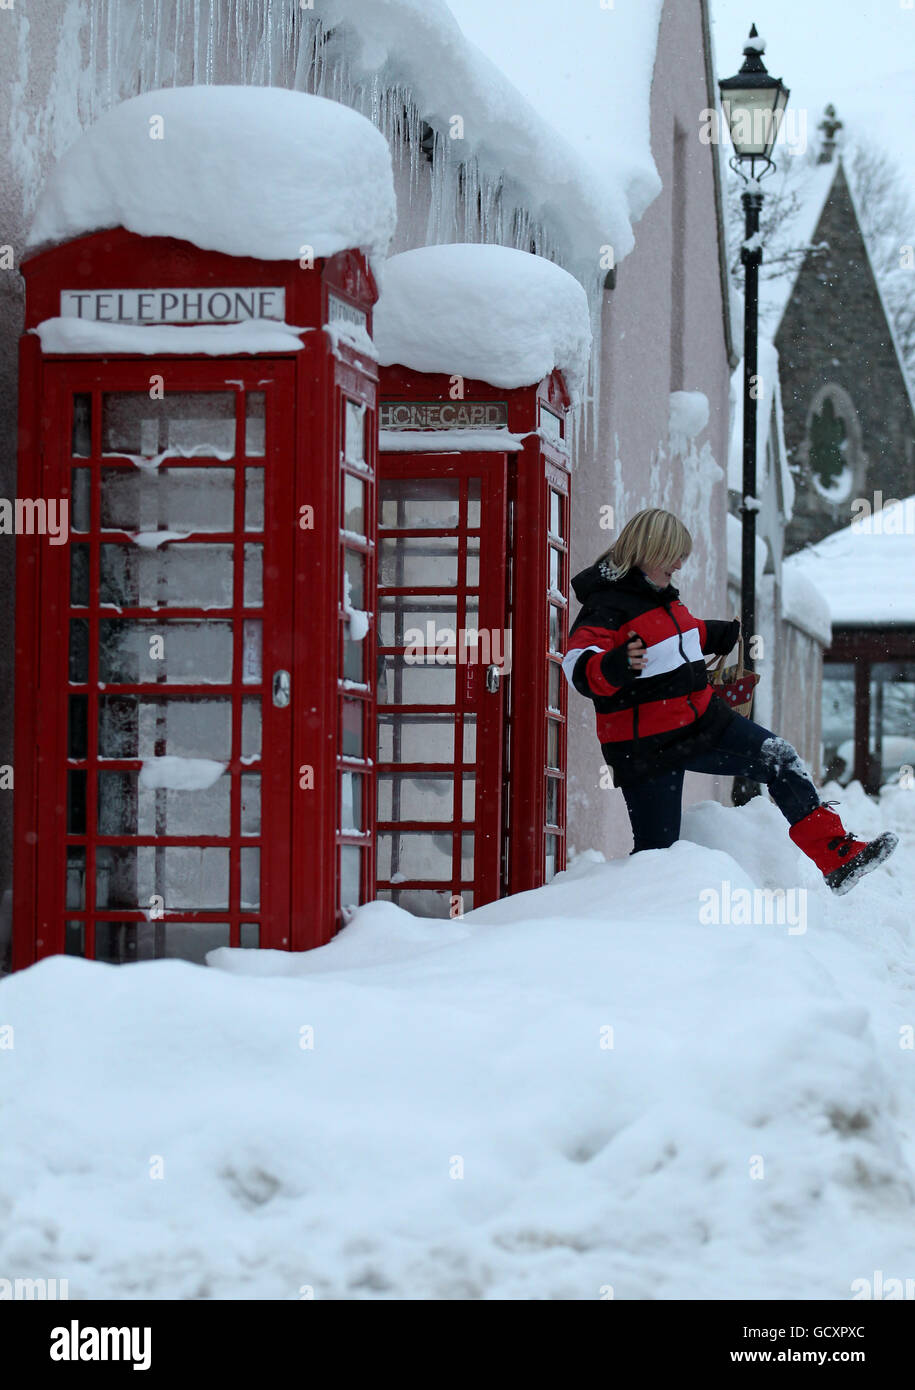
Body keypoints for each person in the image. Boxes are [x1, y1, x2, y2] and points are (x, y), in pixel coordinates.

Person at [563, 508, 898, 894]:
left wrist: (710, 634)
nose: (679, 564)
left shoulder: (662, 597)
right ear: (648, 550)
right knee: (657, 856)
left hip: (704, 722)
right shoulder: (606, 607)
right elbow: (577, 666)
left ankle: (836, 858)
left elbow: (670, 639)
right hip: (647, 749)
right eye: (673, 555)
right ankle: (642, 932)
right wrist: (615, 665)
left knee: (780, 758)